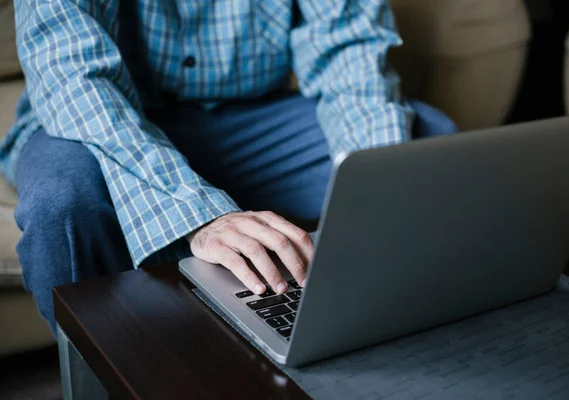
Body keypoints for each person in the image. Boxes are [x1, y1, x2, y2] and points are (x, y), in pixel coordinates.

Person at [1, 0, 457, 335]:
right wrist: (199, 215)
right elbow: (76, 80)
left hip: (249, 119)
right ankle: (97, 370)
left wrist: (377, 189)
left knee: (421, 147)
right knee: (61, 202)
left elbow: (348, 44)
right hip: (98, 115)